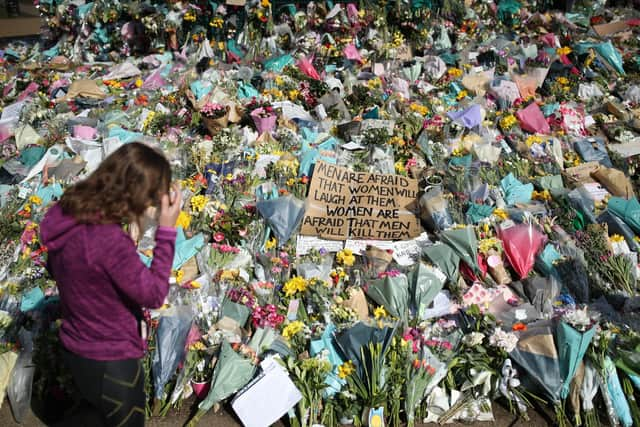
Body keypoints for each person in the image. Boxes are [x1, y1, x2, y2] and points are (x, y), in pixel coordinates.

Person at [40, 142, 182, 427]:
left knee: (94, 415)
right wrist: (166, 231)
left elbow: (54, 268)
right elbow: (154, 294)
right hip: (113, 359)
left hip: (77, 348)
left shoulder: (68, 212)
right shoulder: (107, 241)